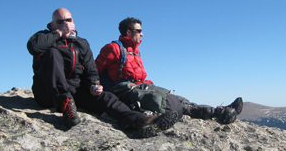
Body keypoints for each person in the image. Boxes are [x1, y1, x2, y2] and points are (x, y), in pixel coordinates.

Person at [27, 8, 179, 137]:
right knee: (53, 53)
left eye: (68, 20)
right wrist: (58, 33)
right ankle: (65, 103)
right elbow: (33, 47)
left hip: (75, 89)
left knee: (107, 97)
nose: (65, 24)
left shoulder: (81, 42)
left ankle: (140, 121)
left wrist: (94, 84)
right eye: (60, 22)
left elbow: (91, 68)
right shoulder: (43, 37)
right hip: (47, 92)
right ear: (53, 24)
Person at [95, 17, 243, 124]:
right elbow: (94, 70)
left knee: (177, 98)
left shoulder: (135, 50)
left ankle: (220, 112)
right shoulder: (113, 48)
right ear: (128, 32)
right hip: (123, 89)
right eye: (139, 31)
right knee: (167, 102)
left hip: (140, 85)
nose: (142, 34)